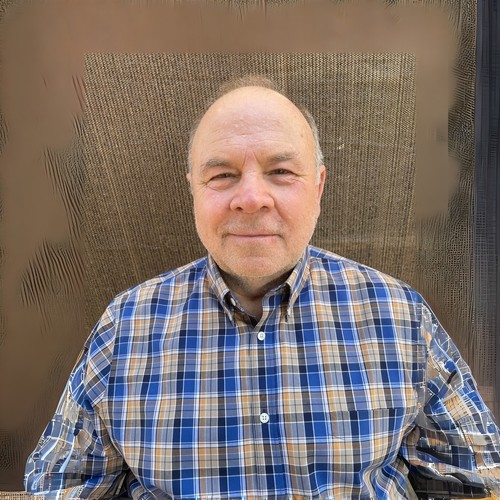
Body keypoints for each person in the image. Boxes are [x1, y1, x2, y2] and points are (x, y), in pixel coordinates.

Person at [25, 76, 500, 499]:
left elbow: (476, 483)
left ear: (318, 187)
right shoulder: (125, 327)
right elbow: (61, 487)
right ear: (194, 190)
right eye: (222, 175)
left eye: (281, 172)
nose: (251, 198)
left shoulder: (400, 316)